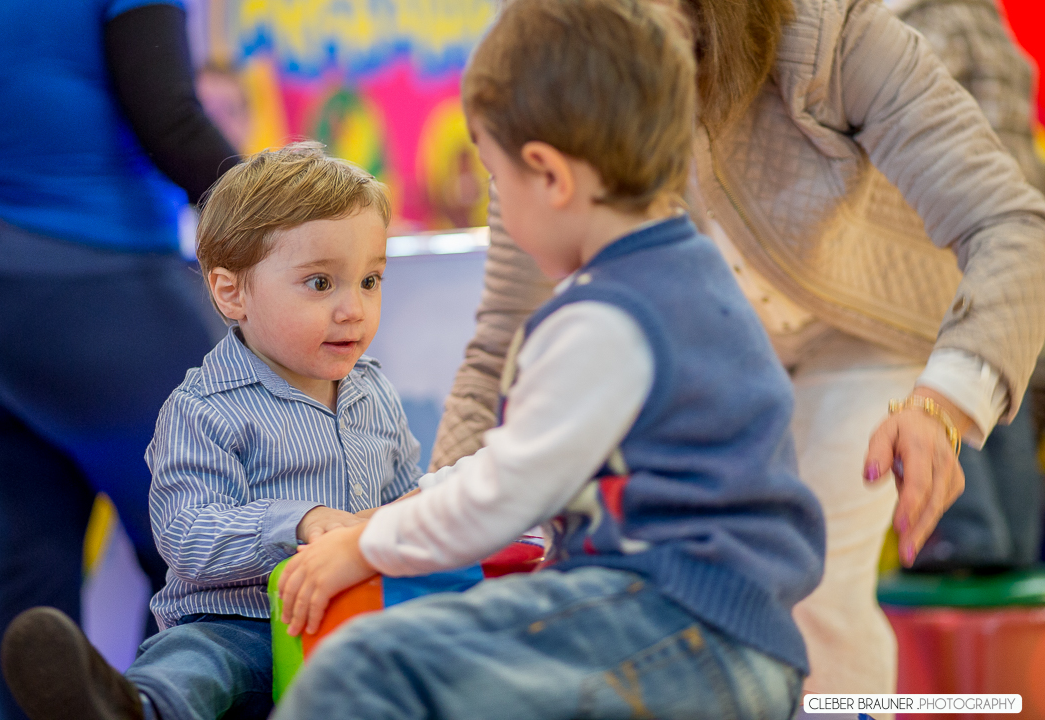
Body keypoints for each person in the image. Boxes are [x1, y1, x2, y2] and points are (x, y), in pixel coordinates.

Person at [428, 0, 1045, 698]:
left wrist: (944, 404)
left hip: (866, 336)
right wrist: (440, 511)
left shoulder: (831, 37)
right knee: (676, 591)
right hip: (718, 347)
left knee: (815, 592)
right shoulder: (554, 60)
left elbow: (1011, 225)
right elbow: (509, 326)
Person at [269, 2, 824, 717]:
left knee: (367, 667)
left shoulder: (605, 315)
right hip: (737, 643)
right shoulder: (691, 275)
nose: (498, 202)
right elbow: (520, 458)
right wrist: (399, 510)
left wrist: (368, 544)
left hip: (676, 629)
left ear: (549, 176)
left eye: (496, 179)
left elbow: (504, 493)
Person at [0, 144, 424, 720]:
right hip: (239, 622)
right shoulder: (204, 409)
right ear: (232, 293)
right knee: (197, 658)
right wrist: (295, 522)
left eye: (370, 280)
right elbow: (186, 532)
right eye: (321, 283)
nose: (353, 309)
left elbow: (407, 501)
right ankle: (136, 707)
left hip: (358, 614)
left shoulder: (373, 393)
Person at [0, 2, 240, 718]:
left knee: (29, 559)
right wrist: (281, 215)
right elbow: (170, 117)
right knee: (213, 560)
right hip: (94, 281)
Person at [886, 0, 1045, 572]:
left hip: (948, 228)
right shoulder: (989, 22)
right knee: (998, 390)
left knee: (938, 372)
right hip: (1015, 236)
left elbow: (903, 123)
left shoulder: (923, 25)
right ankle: (1015, 549)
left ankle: (961, 532)